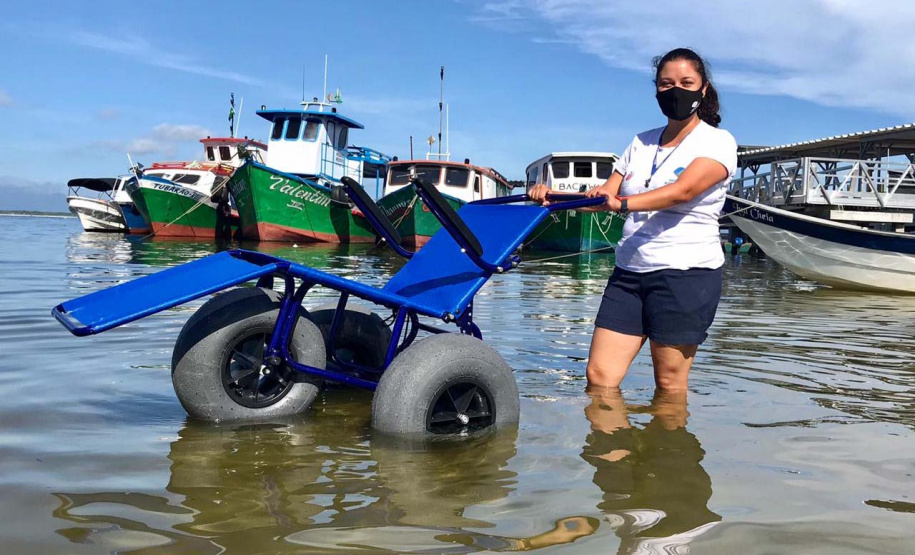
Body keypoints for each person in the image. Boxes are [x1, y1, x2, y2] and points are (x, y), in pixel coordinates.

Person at [530, 48, 738, 390]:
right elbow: (602, 200)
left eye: (686, 82)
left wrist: (622, 204)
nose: (676, 91)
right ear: (657, 90)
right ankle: (613, 443)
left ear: (703, 89)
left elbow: (682, 191)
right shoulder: (640, 142)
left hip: (686, 275)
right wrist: (551, 199)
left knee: (669, 383)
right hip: (629, 273)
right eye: (666, 84)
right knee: (599, 377)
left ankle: (665, 445)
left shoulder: (718, 142)